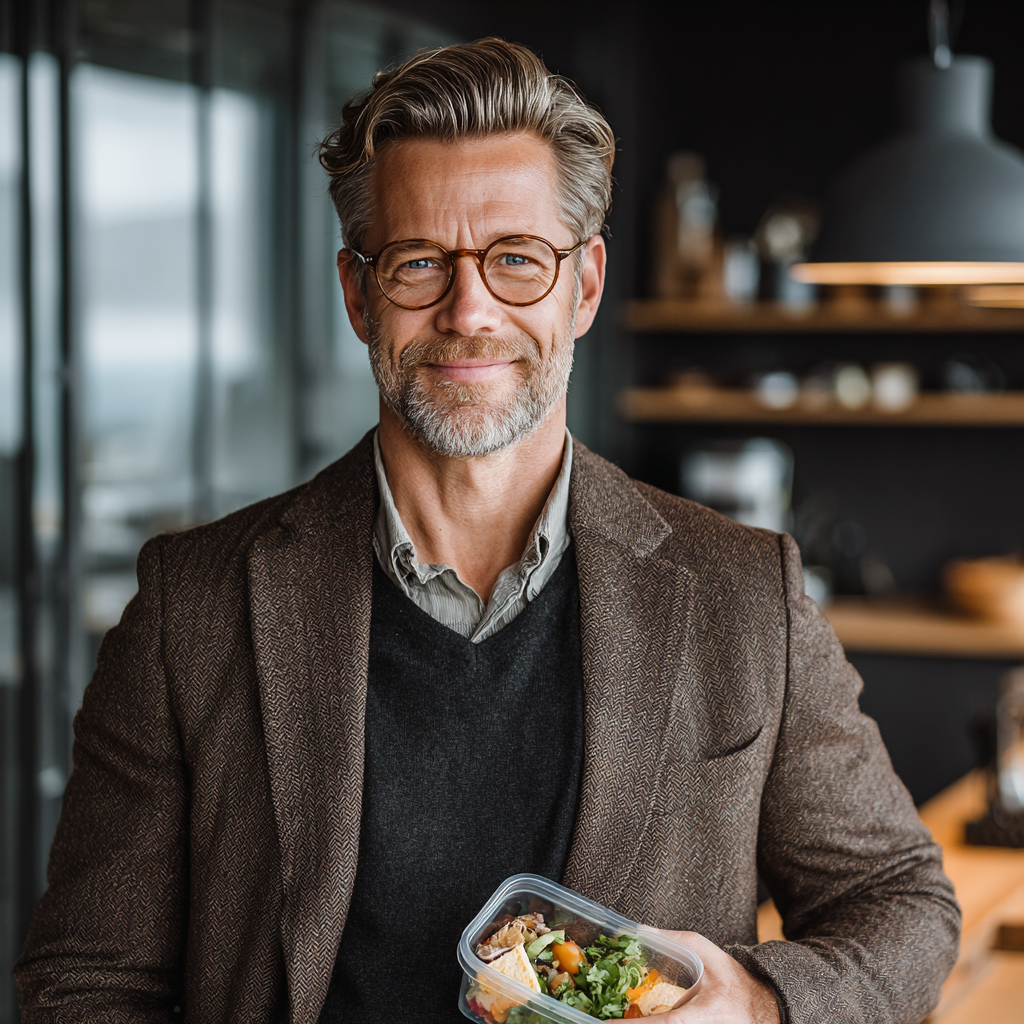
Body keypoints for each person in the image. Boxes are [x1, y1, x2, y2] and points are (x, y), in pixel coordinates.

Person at [15, 38, 958, 1024]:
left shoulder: (743, 590)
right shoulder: (191, 604)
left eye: (517, 260)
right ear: (358, 294)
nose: (469, 311)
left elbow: (897, 900)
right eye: (419, 261)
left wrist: (761, 1002)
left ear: (583, 286)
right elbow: (87, 984)